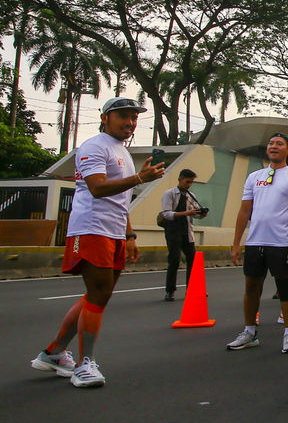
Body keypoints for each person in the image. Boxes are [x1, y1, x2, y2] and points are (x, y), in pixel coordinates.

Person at [31, 97, 165, 387]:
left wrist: (128, 235)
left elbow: (121, 200)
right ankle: (84, 365)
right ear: (105, 117)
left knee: (98, 295)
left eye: (133, 117)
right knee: (98, 294)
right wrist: (139, 178)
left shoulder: (122, 151)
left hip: (113, 231)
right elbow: (98, 189)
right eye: (123, 116)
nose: (130, 122)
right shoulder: (94, 146)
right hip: (91, 229)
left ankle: (54, 352)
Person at [226, 133, 288, 355]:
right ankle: (249, 332)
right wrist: (236, 244)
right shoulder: (254, 176)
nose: (274, 146)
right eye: (271, 143)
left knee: (284, 289)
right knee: (251, 288)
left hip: (281, 243)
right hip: (255, 242)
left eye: (280, 144)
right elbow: (245, 210)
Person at [160, 168, 204, 302]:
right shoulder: (170, 194)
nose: (189, 185)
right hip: (173, 231)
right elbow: (166, 213)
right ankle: (170, 291)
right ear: (180, 180)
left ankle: (191, 289)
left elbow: (195, 213)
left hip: (187, 231)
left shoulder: (191, 195)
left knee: (193, 260)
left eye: (191, 182)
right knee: (174, 260)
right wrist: (186, 214)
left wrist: (201, 214)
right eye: (187, 182)